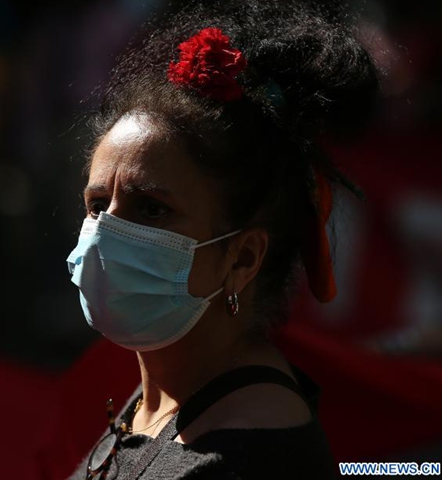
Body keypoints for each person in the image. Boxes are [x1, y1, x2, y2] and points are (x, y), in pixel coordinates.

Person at [64, 0, 380, 478]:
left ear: (243, 257)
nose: (106, 232)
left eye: (152, 208)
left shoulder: (241, 457)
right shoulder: (166, 396)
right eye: (96, 205)